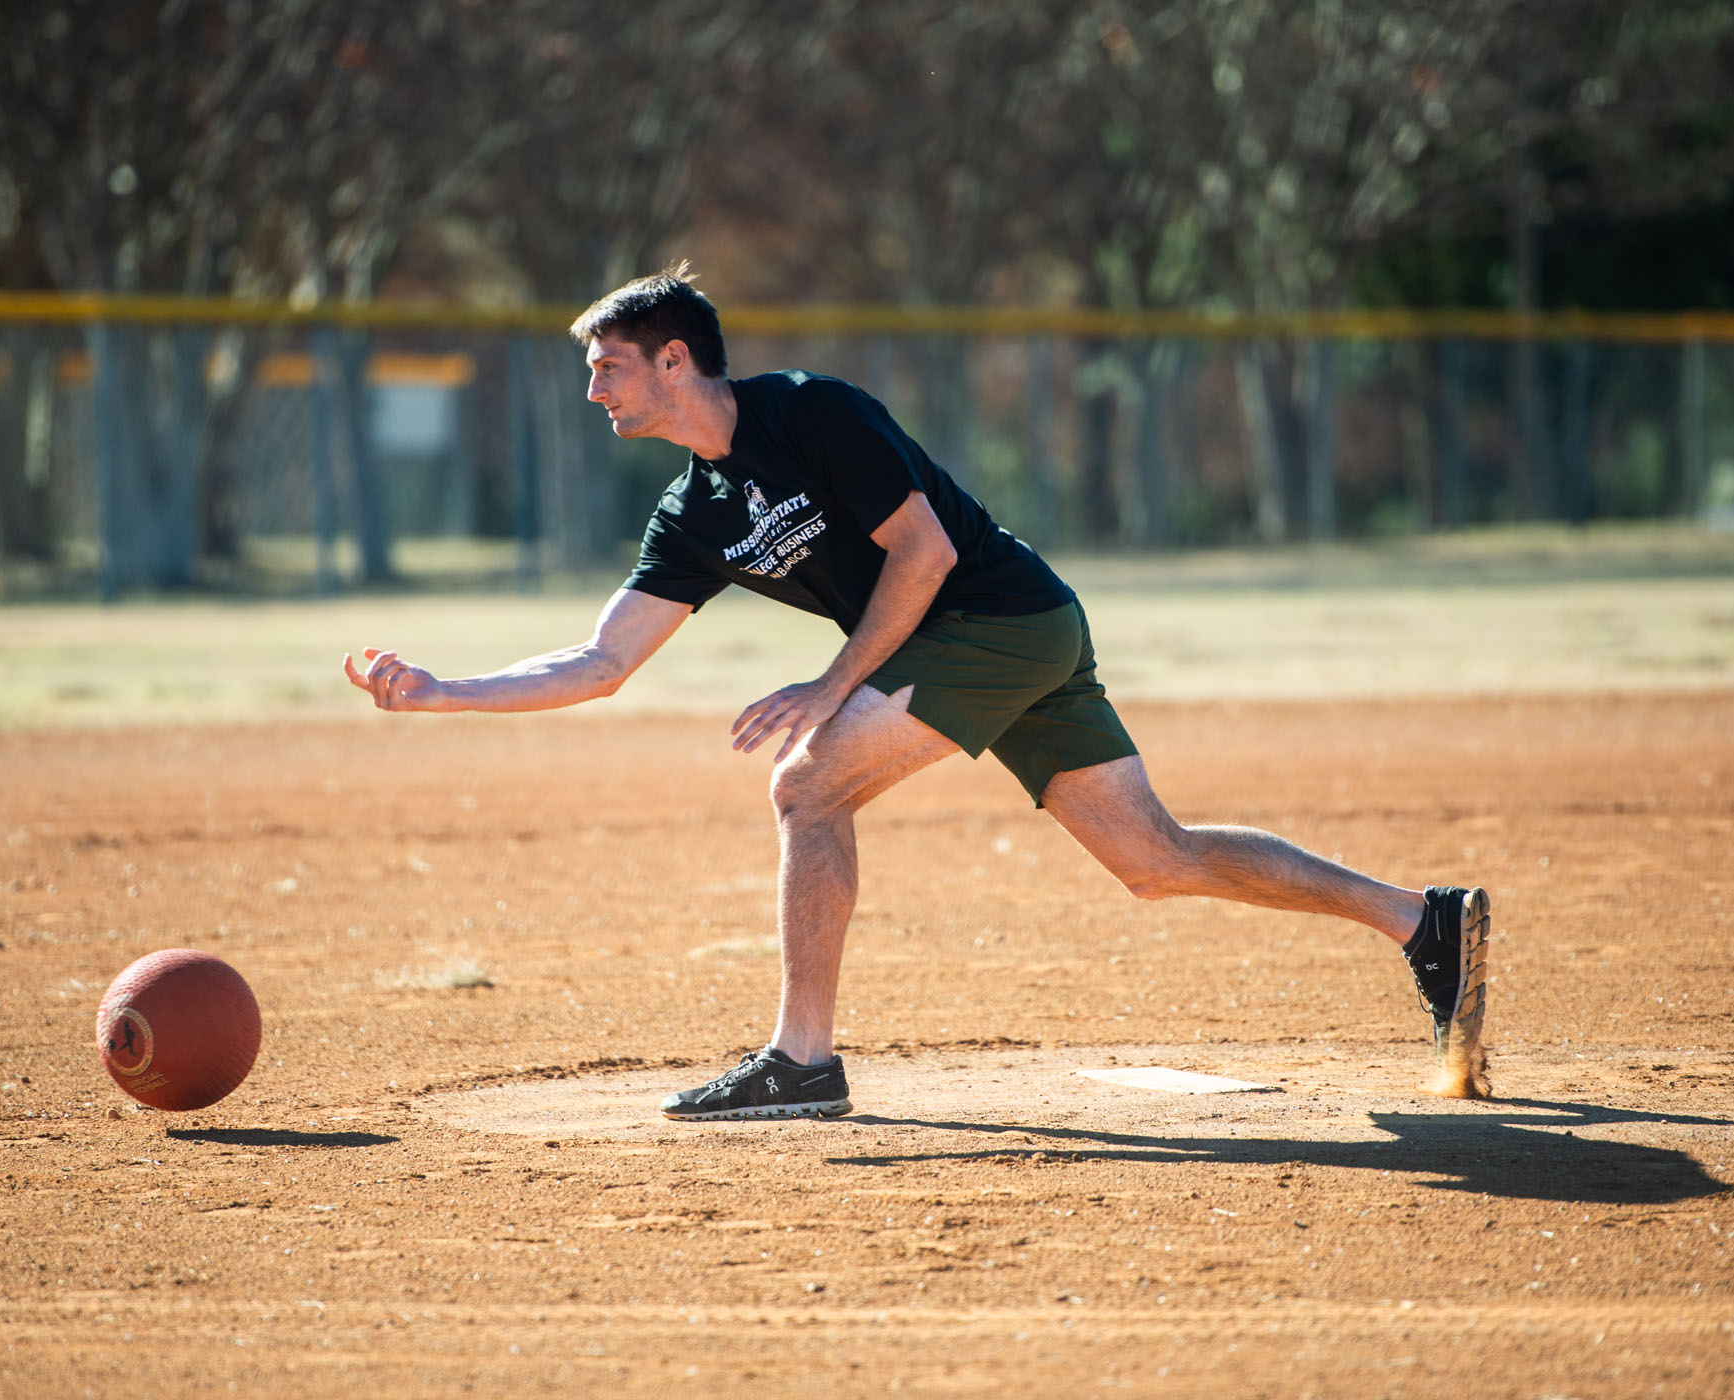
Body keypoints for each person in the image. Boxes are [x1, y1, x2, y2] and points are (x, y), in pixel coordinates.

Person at [343, 264, 1490, 1119]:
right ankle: (1421, 918)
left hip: (1004, 617)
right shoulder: (692, 514)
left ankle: (801, 1060)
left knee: (807, 783)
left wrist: (832, 681)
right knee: (1156, 858)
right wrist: (441, 690)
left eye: (607, 365)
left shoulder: (813, 412)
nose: (594, 390)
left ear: (675, 359)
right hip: (991, 641)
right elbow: (596, 665)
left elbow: (926, 553)